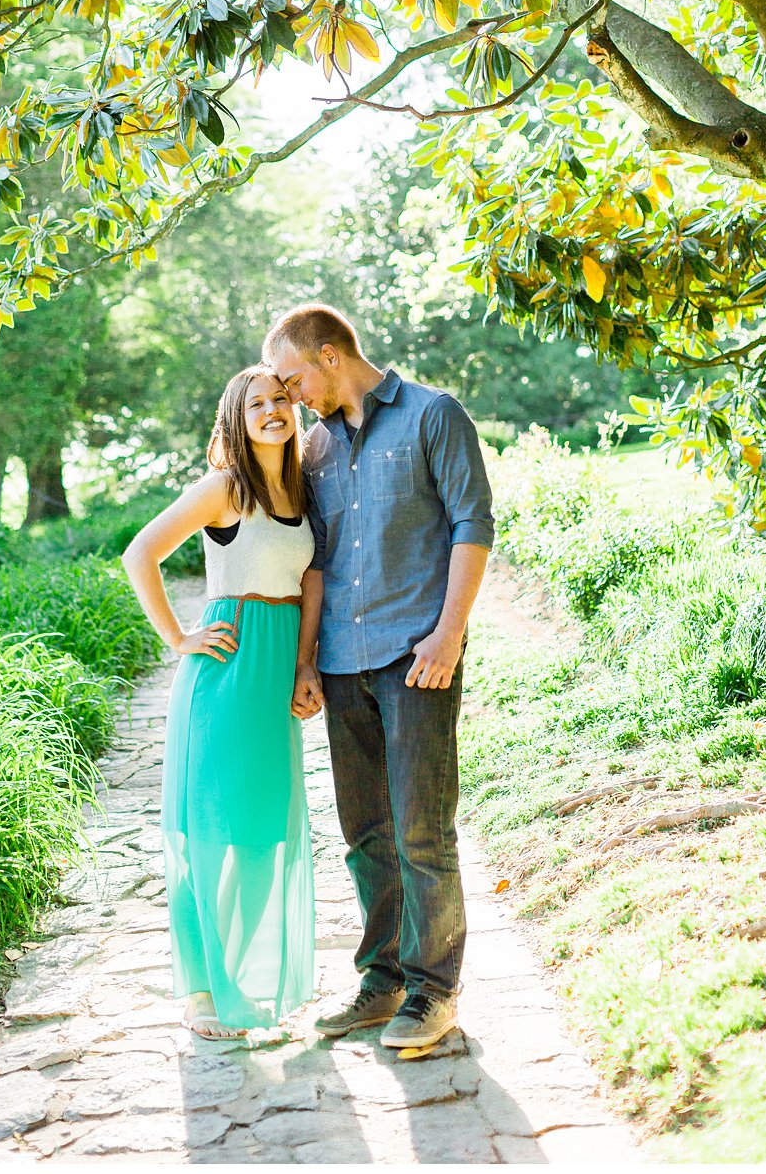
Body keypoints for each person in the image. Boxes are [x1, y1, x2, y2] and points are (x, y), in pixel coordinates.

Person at [263, 303, 495, 1052]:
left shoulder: (434, 414)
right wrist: (304, 661)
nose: (288, 393)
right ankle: (384, 978)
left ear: (328, 354)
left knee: (423, 827)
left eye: (293, 376)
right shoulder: (318, 449)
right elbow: (317, 563)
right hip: (340, 663)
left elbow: (472, 523)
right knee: (367, 834)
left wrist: (449, 633)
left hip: (416, 658)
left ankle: (435, 990)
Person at [122, 367, 321, 1040]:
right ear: (235, 419)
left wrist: (303, 668)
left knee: (265, 838)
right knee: (207, 837)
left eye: (279, 400)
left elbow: (310, 583)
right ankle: (203, 991)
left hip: (273, 681)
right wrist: (179, 636)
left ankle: (232, 970)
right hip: (224, 678)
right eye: (255, 403)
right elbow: (139, 552)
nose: (271, 411)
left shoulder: (302, 489)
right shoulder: (224, 488)